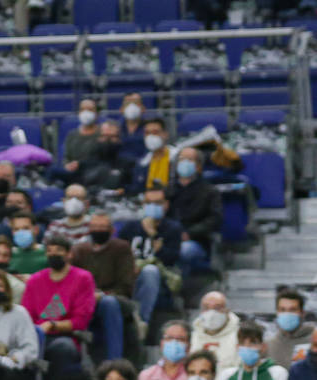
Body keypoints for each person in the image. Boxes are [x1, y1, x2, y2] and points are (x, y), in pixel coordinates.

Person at [22, 234, 95, 380]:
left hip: (67, 338)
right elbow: (25, 317)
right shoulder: (34, 280)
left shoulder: (83, 278)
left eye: (59, 250)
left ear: (69, 254)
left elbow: (80, 321)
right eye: (49, 250)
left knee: (62, 347)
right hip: (36, 338)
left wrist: (52, 325)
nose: (53, 254)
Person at [69, 212, 137, 361]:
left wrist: (102, 294)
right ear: (89, 229)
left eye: (102, 227)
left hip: (117, 299)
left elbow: (126, 285)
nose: (98, 230)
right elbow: (71, 281)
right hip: (86, 300)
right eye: (95, 226)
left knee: (108, 302)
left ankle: (115, 363)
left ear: (112, 230)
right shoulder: (79, 250)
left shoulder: (121, 248)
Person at [116, 185, 180, 326]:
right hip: (130, 277)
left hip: (159, 281)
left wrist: (153, 235)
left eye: (158, 203)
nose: (153, 206)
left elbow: (172, 260)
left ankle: (142, 323)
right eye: (149, 202)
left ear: (166, 205)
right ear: (143, 205)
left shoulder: (172, 228)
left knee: (150, 271)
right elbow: (117, 255)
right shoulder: (130, 227)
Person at [170, 147, 221, 274]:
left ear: (198, 166)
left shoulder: (210, 191)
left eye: (189, 159)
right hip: (168, 238)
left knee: (184, 251)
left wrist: (189, 233)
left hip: (197, 241)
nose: (184, 162)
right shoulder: (168, 190)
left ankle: (177, 289)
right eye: (181, 159)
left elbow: (215, 219)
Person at [221, 322, 290, 380]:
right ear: (237, 347)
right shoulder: (227, 375)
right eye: (242, 343)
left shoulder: (277, 373)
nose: (247, 347)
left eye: (252, 343)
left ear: (263, 347)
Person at [193, 293, 243, 370]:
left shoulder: (240, 336)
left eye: (217, 308)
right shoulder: (193, 336)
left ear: (227, 310)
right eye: (206, 308)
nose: (211, 313)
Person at [267, 289, 315, 366]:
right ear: (277, 313)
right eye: (282, 310)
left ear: (302, 313)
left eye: (292, 310)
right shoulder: (268, 346)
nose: (287, 314)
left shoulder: (314, 341)